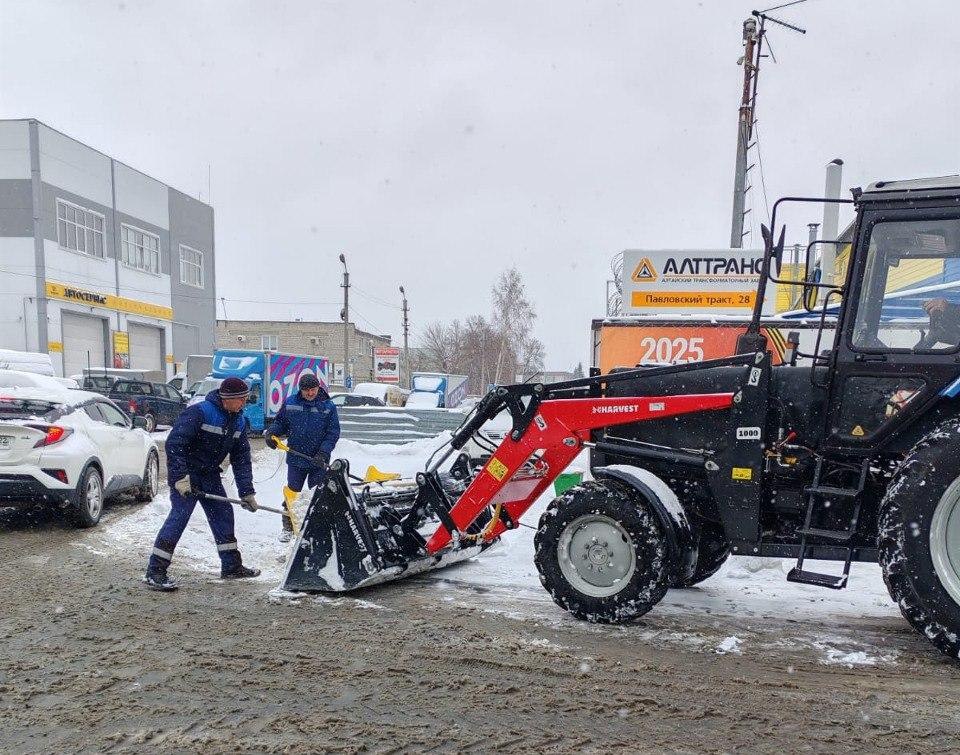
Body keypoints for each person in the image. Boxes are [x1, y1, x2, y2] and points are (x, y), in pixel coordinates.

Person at [143, 377, 261, 591]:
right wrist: (180, 478)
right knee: (179, 518)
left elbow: (241, 458)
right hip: (187, 476)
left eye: (245, 398)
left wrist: (247, 492)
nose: (244, 403)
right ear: (228, 398)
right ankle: (156, 571)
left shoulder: (239, 421)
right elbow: (175, 442)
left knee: (223, 515)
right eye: (241, 399)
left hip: (210, 476)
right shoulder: (200, 412)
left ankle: (231, 566)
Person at [265, 372, 341, 542]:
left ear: (318, 388)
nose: (310, 393)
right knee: (292, 493)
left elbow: (333, 433)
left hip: (318, 460)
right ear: (301, 390)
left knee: (318, 495)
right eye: (307, 390)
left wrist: (323, 453)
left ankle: (318, 528)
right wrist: (271, 433)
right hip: (296, 459)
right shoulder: (291, 402)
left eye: (313, 389)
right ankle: (288, 527)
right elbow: (280, 423)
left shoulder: (328, 406)